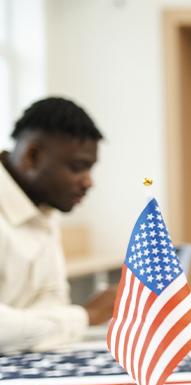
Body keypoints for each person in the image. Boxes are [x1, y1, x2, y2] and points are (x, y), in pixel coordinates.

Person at [0, 97, 115, 353]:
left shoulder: (44, 208)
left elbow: (53, 303)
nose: (88, 183)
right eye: (77, 167)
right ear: (32, 156)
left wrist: (57, 321)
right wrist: (86, 315)